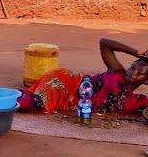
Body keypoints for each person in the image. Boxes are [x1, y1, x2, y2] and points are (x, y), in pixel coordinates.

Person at [19, 38, 148, 114]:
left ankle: (7, 98)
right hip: (66, 82)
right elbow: (104, 43)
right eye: (132, 67)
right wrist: (136, 53)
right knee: (34, 103)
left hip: (70, 104)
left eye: (140, 72)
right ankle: (0, 103)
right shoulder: (118, 72)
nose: (133, 72)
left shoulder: (137, 101)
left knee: (31, 100)